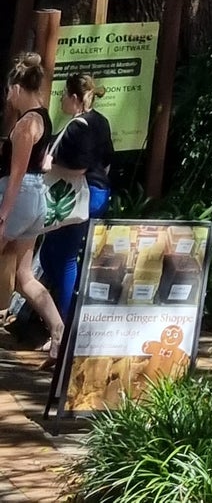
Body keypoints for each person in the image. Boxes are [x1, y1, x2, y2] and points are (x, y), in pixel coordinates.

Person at [0, 58, 65, 365]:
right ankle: (57, 328)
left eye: (8, 91)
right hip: (35, 197)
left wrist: (3, 215)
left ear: (16, 87)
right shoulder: (44, 117)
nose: (7, 97)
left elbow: (17, 173)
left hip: (19, 196)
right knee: (24, 275)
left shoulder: (27, 123)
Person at [38, 71, 113, 328]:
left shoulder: (75, 128)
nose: (60, 100)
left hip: (79, 195)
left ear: (74, 97)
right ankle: (56, 316)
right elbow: (107, 161)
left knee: (66, 257)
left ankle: (67, 324)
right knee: (50, 253)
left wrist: (50, 167)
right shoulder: (101, 122)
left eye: (63, 95)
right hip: (100, 192)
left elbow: (79, 168)